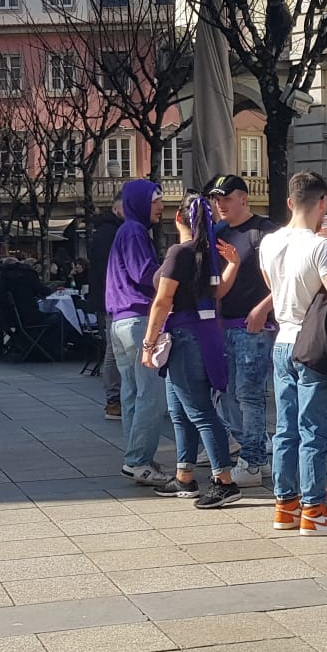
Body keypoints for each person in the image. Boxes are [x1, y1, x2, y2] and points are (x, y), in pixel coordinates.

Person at [258, 171, 327, 536]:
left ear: (290, 202)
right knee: (314, 432)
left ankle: (284, 505)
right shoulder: (322, 247)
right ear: (323, 203)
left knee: (285, 430)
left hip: (282, 341)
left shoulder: (269, 242)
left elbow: (273, 284)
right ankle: (314, 509)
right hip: (315, 344)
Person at [141, 195, 247, 508]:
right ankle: (184, 475)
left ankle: (224, 481)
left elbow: (163, 301)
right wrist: (235, 265)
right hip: (205, 334)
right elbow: (218, 293)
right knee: (180, 410)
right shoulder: (207, 253)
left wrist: (148, 344)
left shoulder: (179, 252)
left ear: (178, 218)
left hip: (184, 336)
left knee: (199, 410)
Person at [208, 174, 280, 485]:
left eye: (226, 197)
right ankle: (257, 453)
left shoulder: (265, 232)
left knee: (249, 395)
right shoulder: (217, 232)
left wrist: (263, 308)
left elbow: (284, 278)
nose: (221, 203)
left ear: (243, 198)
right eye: (217, 198)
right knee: (230, 393)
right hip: (224, 325)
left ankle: (252, 460)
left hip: (254, 327)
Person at [110, 179, 174, 483]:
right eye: (155, 200)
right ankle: (137, 459)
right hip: (138, 321)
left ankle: (137, 458)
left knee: (132, 394)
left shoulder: (125, 231)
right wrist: (176, 261)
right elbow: (145, 274)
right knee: (151, 394)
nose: (161, 206)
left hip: (121, 321)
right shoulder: (135, 231)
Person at [85, 207, 123, 418]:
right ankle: (114, 399)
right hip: (113, 299)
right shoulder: (113, 232)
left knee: (113, 348)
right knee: (114, 350)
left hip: (107, 298)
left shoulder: (105, 231)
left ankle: (115, 399)